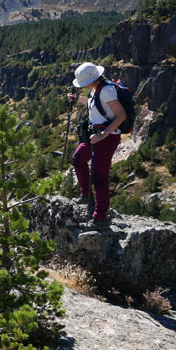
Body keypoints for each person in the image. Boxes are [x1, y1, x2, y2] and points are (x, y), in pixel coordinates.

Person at [68, 62, 126, 230]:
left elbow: (120, 115)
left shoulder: (107, 90)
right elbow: (94, 104)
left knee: (99, 177)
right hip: (96, 136)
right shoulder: (97, 89)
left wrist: (103, 134)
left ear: (89, 80)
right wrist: (77, 99)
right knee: (78, 159)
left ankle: (100, 217)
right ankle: (86, 195)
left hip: (106, 138)